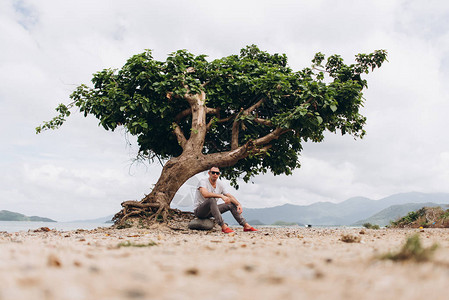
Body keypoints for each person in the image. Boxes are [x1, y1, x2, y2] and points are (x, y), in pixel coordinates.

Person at [194, 166, 258, 233]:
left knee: (230, 204)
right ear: (209, 173)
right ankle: (223, 226)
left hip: (211, 211)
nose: (215, 174)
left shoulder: (220, 184)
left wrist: (238, 204)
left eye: (217, 173)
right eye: (213, 173)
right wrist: (221, 196)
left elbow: (229, 196)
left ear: (219, 174)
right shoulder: (203, 182)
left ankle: (246, 226)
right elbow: (205, 194)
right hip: (199, 211)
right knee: (211, 200)